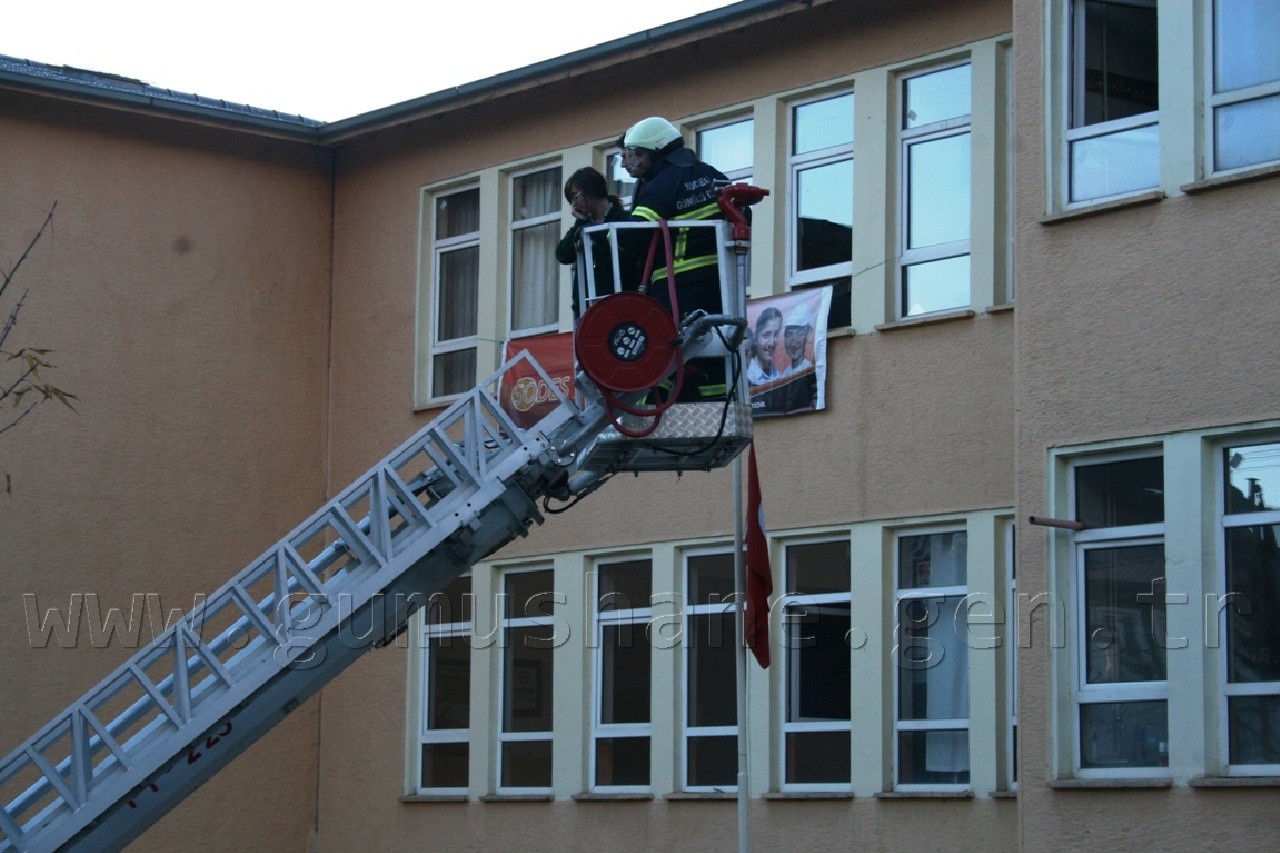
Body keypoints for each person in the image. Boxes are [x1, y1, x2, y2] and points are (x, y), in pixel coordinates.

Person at [619, 116, 731, 402]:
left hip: (677, 289)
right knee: (715, 356)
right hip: (721, 288)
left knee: (658, 355)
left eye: (638, 154)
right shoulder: (712, 175)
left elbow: (632, 236)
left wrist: (605, 235)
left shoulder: (663, 183)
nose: (632, 162)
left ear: (656, 152)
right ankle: (718, 405)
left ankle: (650, 410)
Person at [556, 167, 630, 319]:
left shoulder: (622, 219)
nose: (574, 204)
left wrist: (594, 233)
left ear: (590, 189)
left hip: (619, 303)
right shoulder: (583, 223)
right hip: (586, 308)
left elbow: (621, 255)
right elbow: (562, 254)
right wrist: (581, 223)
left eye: (575, 196)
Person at [745, 306, 782, 386]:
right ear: (755, 339)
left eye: (776, 334)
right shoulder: (747, 376)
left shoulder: (778, 376)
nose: (771, 343)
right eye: (766, 335)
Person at [781, 302, 814, 375]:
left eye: (799, 334)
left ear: (807, 336)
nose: (793, 344)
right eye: (789, 334)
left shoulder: (810, 371)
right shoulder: (785, 375)